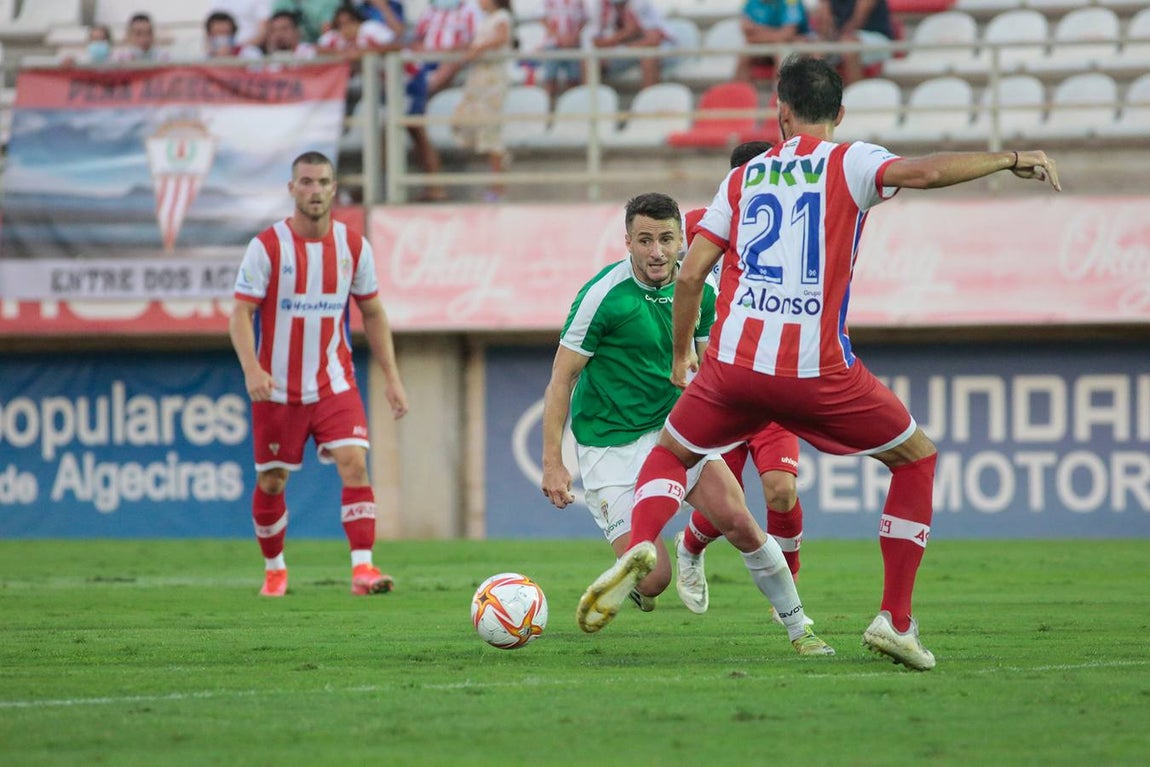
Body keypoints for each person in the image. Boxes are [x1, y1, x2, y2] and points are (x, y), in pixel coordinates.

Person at [575, 54, 1060, 669]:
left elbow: (691, 272)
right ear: (840, 113)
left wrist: (681, 356)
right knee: (916, 459)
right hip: (815, 371)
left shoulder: (743, 178)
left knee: (669, 455)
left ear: (779, 111)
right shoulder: (850, 161)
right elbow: (927, 171)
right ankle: (896, 621)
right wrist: (1011, 158)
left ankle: (642, 543)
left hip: (733, 368)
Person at [541, 192, 834, 657]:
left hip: (673, 433)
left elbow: (704, 365)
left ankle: (801, 630)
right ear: (628, 243)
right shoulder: (602, 296)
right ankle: (640, 584)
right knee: (654, 578)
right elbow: (562, 378)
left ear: (682, 239)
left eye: (666, 239)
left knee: (740, 522)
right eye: (645, 240)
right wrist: (553, 463)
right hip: (608, 446)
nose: (657, 251)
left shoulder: (701, 291)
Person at [229, 150, 409, 597]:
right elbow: (240, 313)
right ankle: (275, 570)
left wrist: (392, 377)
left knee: (355, 463)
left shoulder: (353, 247)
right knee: (272, 480)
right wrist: (252, 370)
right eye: (306, 182)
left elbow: (373, 312)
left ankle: (364, 569)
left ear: (334, 189)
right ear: (292, 189)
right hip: (277, 388)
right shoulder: (267, 246)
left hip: (334, 381)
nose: (315, 190)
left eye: (323, 182)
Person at [673, 140, 810, 624]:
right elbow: (666, 282)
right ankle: (689, 549)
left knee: (781, 490)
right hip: (720, 388)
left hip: (771, 380)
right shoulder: (696, 226)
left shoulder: (796, 227)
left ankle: (788, 591)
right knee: (726, 509)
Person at [319, 4, 446, 203]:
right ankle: (383, 189)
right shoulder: (339, 40)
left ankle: (433, 188)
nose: (347, 28)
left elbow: (398, 45)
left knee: (413, 133)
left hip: (409, 82)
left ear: (359, 22)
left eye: (350, 22)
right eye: (341, 24)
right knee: (394, 136)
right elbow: (318, 50)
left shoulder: (370, 30)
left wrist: (365, 52)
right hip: (387, 88)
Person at [452, 0, 513, 202]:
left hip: (491, 83)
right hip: (479, 81)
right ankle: (496, 181)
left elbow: (502, 37)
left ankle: (498, 187)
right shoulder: (486, 20)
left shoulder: (502, 17)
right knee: (469, 125)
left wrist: (478, 49)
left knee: (491, 134)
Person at [587, 0, 673, 90]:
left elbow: (653, 40)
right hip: (625, 50)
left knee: (648, 55)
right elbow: (597, 42)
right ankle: (592, 96)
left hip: (664, 49)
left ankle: (650, 97)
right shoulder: (603, 7)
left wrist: (617, 42)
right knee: (591, 59)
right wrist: (625, 35)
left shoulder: (640, 4)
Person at [813, 0, 896, 84]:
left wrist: (836, 39)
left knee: (849, 45)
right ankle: (825, 91)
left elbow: (856, 21)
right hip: (843, 39)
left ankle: (857, 91)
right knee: (818, 49)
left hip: (878, 40)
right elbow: (825, 28)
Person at [736, 0, 812, 83]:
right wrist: (777, 35)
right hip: (771, 45)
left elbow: (788, 33)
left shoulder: (791, 2)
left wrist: (758, 31)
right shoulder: (751, 2)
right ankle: (741, 89)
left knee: (783, 52)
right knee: (745, 53)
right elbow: (748, 34)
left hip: (794, 45)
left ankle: (780, 90)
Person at [539, 0, 588, 103]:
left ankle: (572, 107)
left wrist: (573, 37)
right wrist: (559, 37)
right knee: (550, 79)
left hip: (573, 44)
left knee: (573, 80)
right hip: (552, 43)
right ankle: (548, 108)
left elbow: (583, 19)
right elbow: (543, 18)